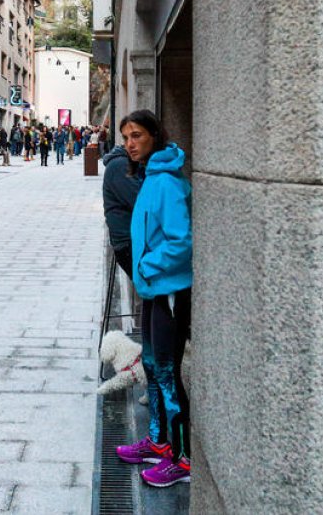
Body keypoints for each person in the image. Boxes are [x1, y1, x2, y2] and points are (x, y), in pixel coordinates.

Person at [114, 109, 193, 488]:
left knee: (166, 371)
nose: (130, 143)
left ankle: (183, 459)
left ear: (154, 136)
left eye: (137, 136)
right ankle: (159, 443)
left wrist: (147, 266)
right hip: (154, 289)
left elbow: (181, 241)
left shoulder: (168, 182)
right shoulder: (150, 176)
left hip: (169, 291)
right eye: (126, 137)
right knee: (150, 363)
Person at [101, 139, 142, 280]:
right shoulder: (120, 165)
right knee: (154, 294)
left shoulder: (128, 162)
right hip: (128, 242)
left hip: (132, 240)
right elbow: (139, 203)